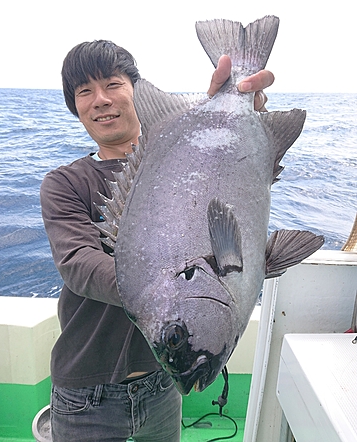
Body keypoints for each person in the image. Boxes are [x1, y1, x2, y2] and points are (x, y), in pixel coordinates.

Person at [40, 40, 274, 442]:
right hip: (86, 392)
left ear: (135, 91)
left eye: (112, 84)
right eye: (84, 92)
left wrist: (243, 122)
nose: (100, 100)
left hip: (163, 384)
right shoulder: (65, 183)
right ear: (75, 107)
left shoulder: (192, 166)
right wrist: (168, 294)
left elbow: (235, 192)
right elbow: (78, 264)